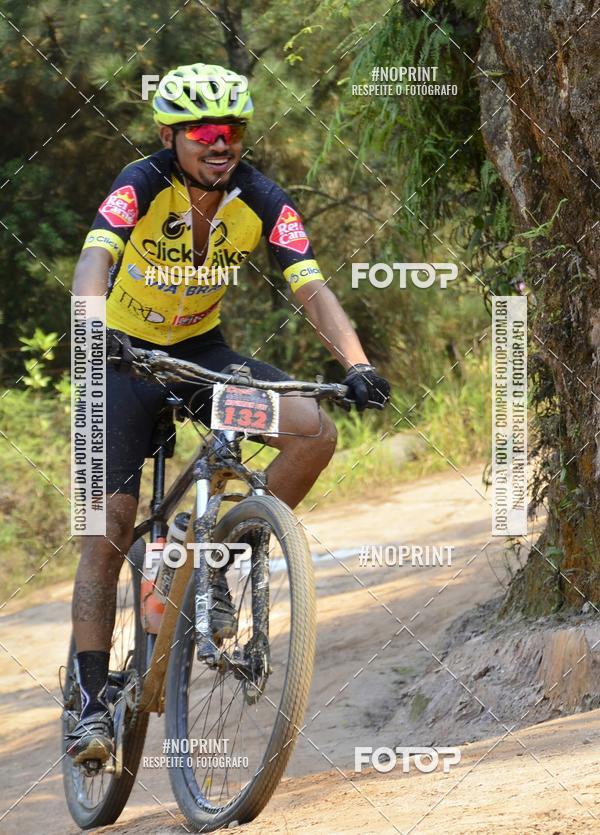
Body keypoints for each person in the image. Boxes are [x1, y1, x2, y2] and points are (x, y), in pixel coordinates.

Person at [66, 62, 390, 764]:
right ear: (170, 135)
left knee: (312, 430)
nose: (222, 143)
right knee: (109, 525)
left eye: (233, 130)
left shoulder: (262, 198)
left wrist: (356, 361)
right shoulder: (140, 182)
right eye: (205, 131)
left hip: (200, 359)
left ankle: (221, 544)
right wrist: (92, 327)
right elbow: (94, 262)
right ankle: (90, 703)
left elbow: (310, 286)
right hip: (121, 363)